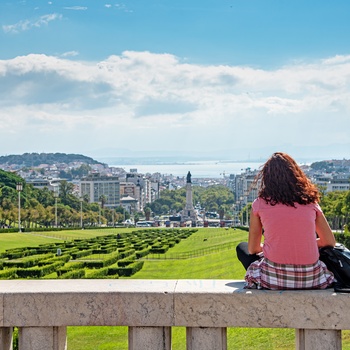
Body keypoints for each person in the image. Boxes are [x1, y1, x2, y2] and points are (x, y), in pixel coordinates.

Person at [236, 152, 336, 290]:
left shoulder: (260, 204)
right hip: (312, 279)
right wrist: (304, 244)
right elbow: (329, 242)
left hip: (273, 280)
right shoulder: (310, 202)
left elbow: (252, 249)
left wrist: (274, 247)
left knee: (242, 248)